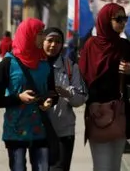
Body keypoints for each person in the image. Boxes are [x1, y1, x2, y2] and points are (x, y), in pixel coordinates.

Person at [0, 18, 58, 171]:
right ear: (28, 35)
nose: (43, 38)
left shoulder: (45, 63)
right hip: (15, 132)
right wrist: (18, 98)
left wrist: (50, 102)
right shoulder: (8, 64)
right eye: (39, 34)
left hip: (41, 130)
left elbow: (53, 93)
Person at [79, 3, 130, 171]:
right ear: (106, 20)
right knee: (102, 167)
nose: (122, 23)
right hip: (97, 112)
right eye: (118, 19)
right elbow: (83, 78)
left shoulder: (125, 46)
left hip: (119, 111)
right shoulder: (90, 46)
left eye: (124, 18)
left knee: (114, 166)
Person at [43, 27, 87, 171]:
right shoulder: (34, 65)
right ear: (42, 42)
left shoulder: (70, 67)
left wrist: (67, 93)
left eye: (58, 42)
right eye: (50, 40)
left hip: (63, 132)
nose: (53, 45)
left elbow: (80, 99)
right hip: (39, 131)